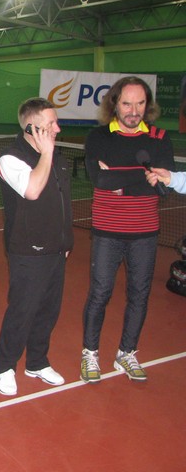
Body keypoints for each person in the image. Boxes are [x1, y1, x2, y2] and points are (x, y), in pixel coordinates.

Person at [80, 76, 174, 384]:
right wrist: (142, 175)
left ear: (148, 105)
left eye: (140, 103)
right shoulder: (98, 137)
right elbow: (100, 180)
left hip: (145, 232)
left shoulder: (160, 137)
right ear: (114, 104)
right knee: (100, 293)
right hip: (107, 230)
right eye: (126, 103)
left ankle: (127, 352)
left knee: (140, 294)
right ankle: (90, 353)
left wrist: (119, 180)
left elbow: (163, 188)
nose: (133, 111)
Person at [0, 98, 74, 396]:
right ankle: (5, 366)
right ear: (31, 128)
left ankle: (37, 362)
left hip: (57, 250)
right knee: (22, 311)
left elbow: (63, 202)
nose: (58, 129)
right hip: (27, 251)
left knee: (48, 310)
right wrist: (47, 153)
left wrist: (66, 241)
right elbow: (32, 190)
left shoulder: (57, 159)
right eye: (51, 124)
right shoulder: (10, 159)